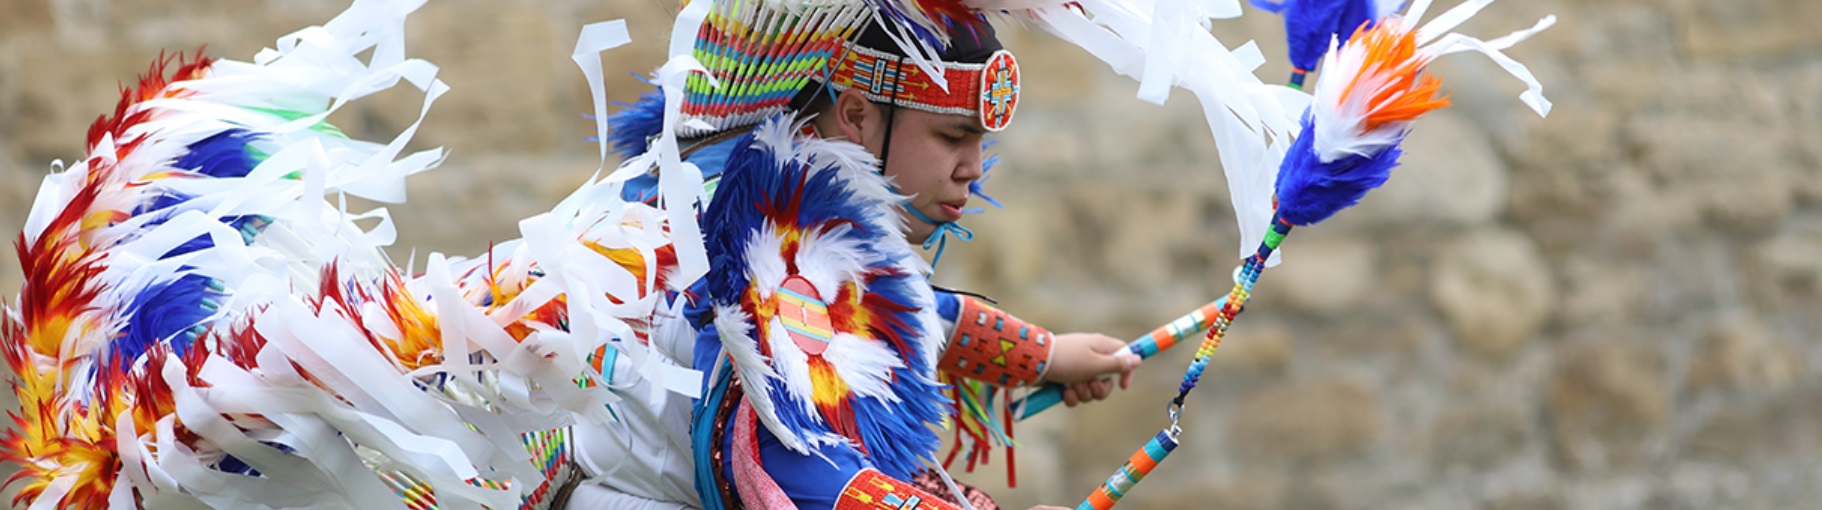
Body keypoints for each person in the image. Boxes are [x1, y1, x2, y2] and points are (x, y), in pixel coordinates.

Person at [561, 10, 1141, 510]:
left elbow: (890, 309)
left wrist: (1043, 356)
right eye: (952, 137)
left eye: (979, 142)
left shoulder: (781, 196)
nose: (973, 168)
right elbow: (800, 466)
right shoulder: (762, 251)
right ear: (858, 116)